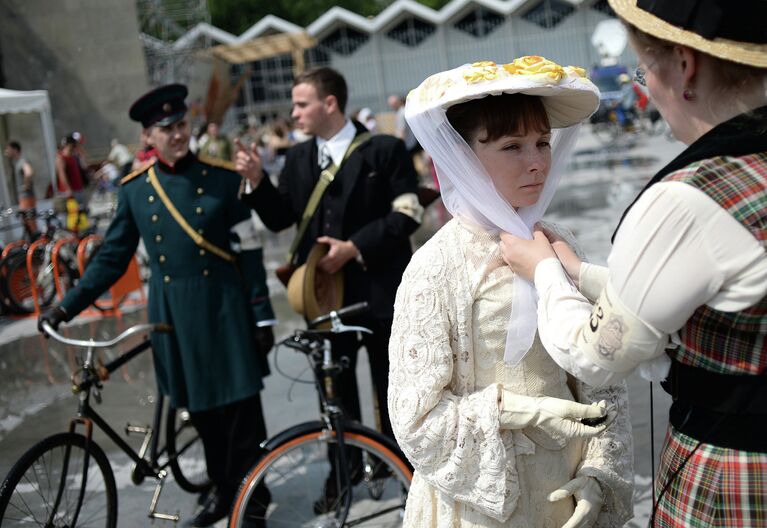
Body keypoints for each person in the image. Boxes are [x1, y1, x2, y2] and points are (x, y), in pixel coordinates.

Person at [500, 2, 767, 526]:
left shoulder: (690, 200)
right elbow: (708, 287)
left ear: (684, 65)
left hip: (737, 470)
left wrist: (545, 272)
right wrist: (579, 273)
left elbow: (598, 356)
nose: (647, 87)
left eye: (645, 67)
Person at [388, 57, 634, 527]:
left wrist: (600, 472)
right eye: (511, 146)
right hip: (483, 502)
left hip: (568, 486)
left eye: (542, 142)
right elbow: (416, 420)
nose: (537, 161)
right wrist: (520, 411)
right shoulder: (436, 266)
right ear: (462, 156)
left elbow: (604, 378)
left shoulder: (559, 242)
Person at [37, 84, 276, 527]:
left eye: (181, 124)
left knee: (242, 412)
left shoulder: (222, 179)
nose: (178, 134)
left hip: (225, 308)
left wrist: (261, 312)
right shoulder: (135, 192)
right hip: (174, 317)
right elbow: (110, 259)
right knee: (203, 413)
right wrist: (64, 307)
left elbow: (249, 249)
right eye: (166, 129)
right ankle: (225, 493)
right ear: (148, 137)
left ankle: (253, 498)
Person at [237, 65, 422, 508]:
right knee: (332, 392)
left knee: (392, 387)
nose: (294, 113)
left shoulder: (385, 148)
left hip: (380, 291)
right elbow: (282, 218)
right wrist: (259, 182)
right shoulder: (299, 158)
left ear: (329, 103)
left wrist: (355, 246)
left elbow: (408, 212)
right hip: (325, 297)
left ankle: (406, 473)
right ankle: (342, 475)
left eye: (301, 104)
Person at [4, 141, 38, 237]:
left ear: (15, 150)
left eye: (8, 149)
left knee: (30, 223)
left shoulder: (22, 161)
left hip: (27, 197)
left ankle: (37, 246)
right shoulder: (17, 162)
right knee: (27, 223)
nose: (6, 151)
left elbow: (29, 172)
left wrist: (26, 186)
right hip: (24, 198)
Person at [55, 135, 86, 204]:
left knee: (82, 212)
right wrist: (68, 189)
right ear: (68, 145)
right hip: (70, 191)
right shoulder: (61, 158)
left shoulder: (74, 156)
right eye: (73, 145)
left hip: (79, 189)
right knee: (73, 213)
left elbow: (84, 167)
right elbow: (62, 175)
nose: (75, 147)